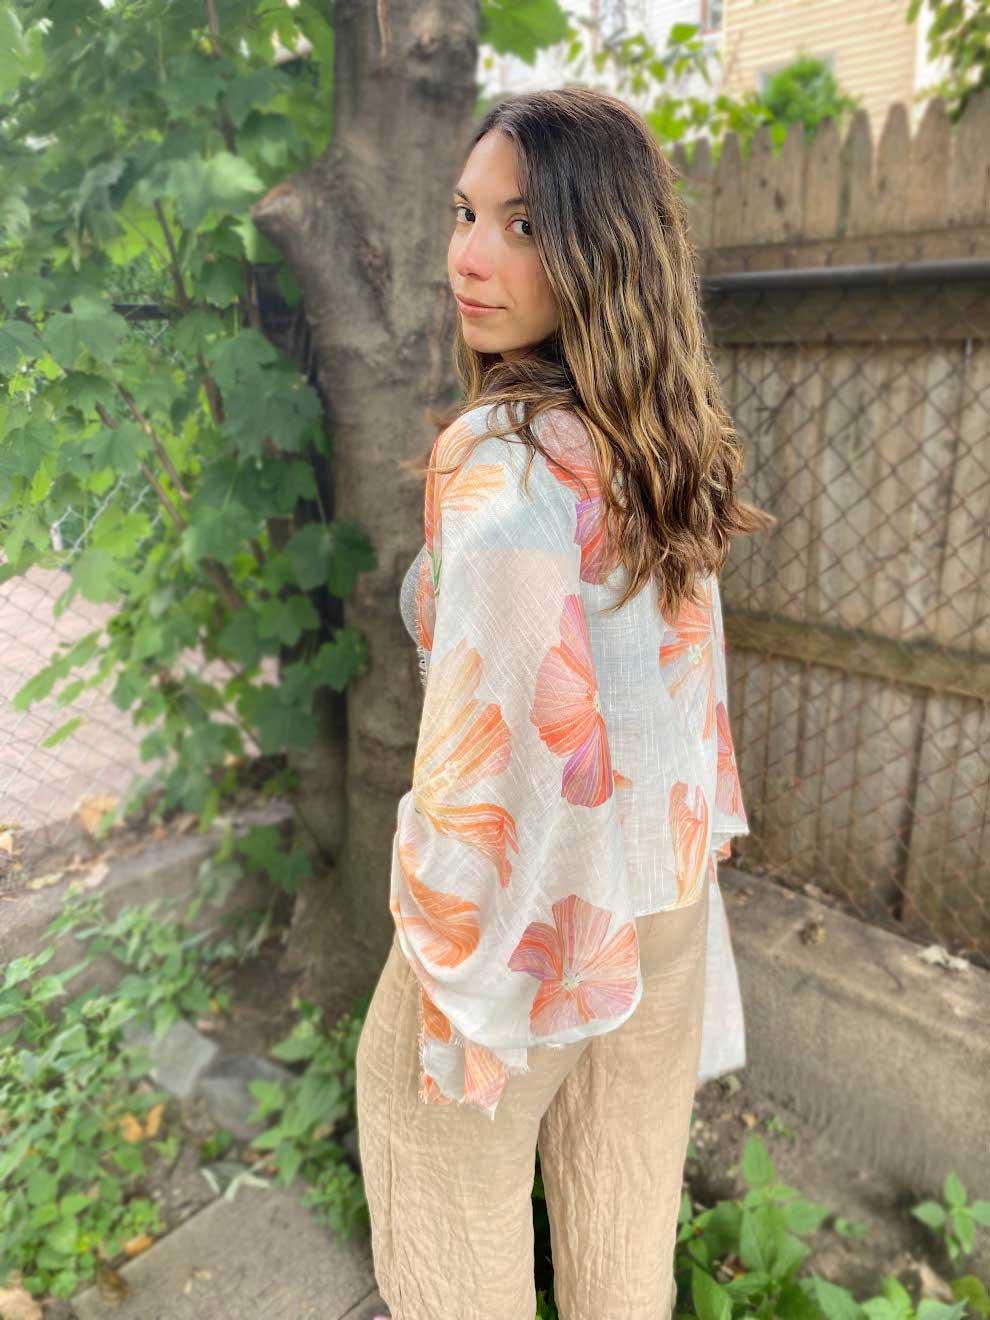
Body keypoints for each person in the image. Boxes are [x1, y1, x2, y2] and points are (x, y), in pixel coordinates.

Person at [355, 86, 775, 1320]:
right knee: (623, 1213)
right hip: (664, 900)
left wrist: (451, 977)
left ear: (601, 244)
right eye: (465, 213)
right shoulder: (657, 438)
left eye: (525, 225)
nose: (470, 257)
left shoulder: (500, 455)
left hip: (527, 925)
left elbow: (493, 761)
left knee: (442, 1217)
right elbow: (682, 691)